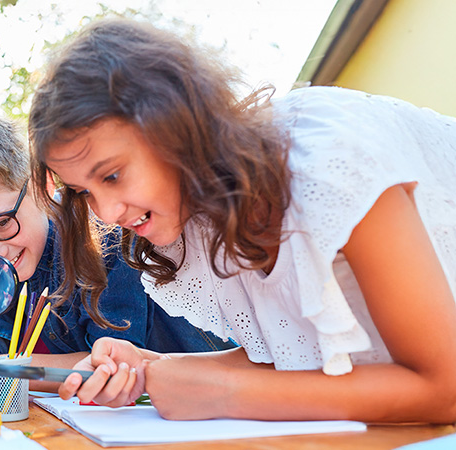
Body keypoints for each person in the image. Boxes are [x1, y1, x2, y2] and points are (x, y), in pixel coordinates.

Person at [28, 18, 456, 423]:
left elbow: (445, 387)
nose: (106, 212)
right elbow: (286, 354)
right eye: (84, 192)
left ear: (174, 125)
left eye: (112, 175)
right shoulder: (195, 223)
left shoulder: (326, 158)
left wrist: (226, 393)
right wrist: (152, 366)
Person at [0, 111, 233, 405]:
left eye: (3, 223)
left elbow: (108, 365)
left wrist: (0, 371)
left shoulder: (108, 238)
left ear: (42, 184)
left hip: (215, 399)